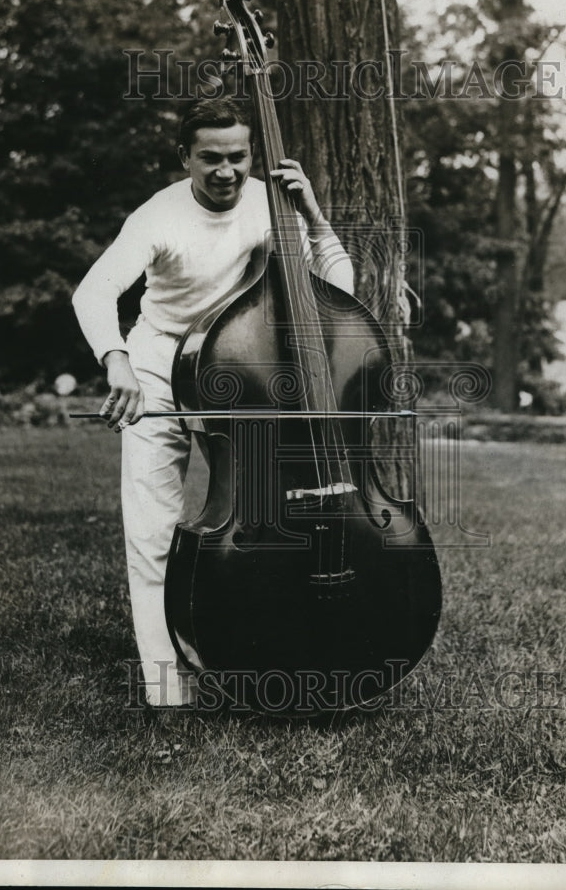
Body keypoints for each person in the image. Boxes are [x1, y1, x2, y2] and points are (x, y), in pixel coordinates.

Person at [72, 97, 354, 707]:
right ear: (185, 158)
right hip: (158, 359)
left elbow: (337, 293)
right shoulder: (158, 215)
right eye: (210, 159)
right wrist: (116, 361)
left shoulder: (270, 204)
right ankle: (165, 687)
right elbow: (93, 292)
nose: (226, 171)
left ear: (252, 154)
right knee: (152, 524)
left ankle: (259, 642)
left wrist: (311, 213)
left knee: (259, 515)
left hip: (240, 364)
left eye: (238, 157)